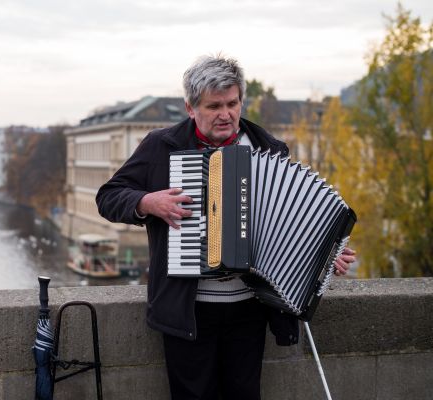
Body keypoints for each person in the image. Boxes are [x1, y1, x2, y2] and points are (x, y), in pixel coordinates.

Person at [96, 54, 356, 400]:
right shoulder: (163, 146)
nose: (226, 114)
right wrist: (148, 203)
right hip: (189, 311)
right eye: (214, 106)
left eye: (232, 103)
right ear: (191, 108)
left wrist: (325, 257)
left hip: (249, 309)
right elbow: (109, 197)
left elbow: (286, 222)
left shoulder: (269, 148)